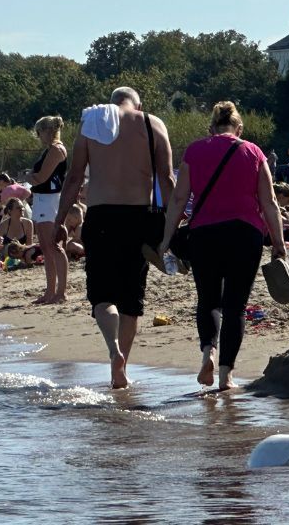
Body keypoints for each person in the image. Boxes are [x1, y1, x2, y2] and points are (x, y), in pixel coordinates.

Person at [158, 101, 286, 391]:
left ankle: (208, 353)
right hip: (245, 234)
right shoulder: (253, 152)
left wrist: (167, 239)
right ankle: (226, 376)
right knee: (236, 306)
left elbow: (179, 200)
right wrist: (278, 242)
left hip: (204, 235)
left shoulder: (194, 150)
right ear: (239, 128)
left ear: (211, 128)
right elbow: (270, 202)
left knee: (208, 300)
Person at [55, 87, 174, 389]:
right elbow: (166, 178)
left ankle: (113, 351)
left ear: (111, 104)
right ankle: (121, 371)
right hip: (140, 217)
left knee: (103, 295)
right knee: (131, 298)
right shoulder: (153, 123)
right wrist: (173, 224)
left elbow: (74, 177)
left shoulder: (93, 123)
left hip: (102, 215)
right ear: (138, 104)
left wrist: (59, 220)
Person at [28, 116, 69, 304]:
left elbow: (42, 178)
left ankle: (60, 292)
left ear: (47, 131)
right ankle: (50, 291)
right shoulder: (51, 149)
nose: (38, 136)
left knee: (53, 245)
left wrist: (28, 176)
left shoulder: (56, 149)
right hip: (42, 199)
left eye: (39, 132)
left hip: (50, 199)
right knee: (45, 246)